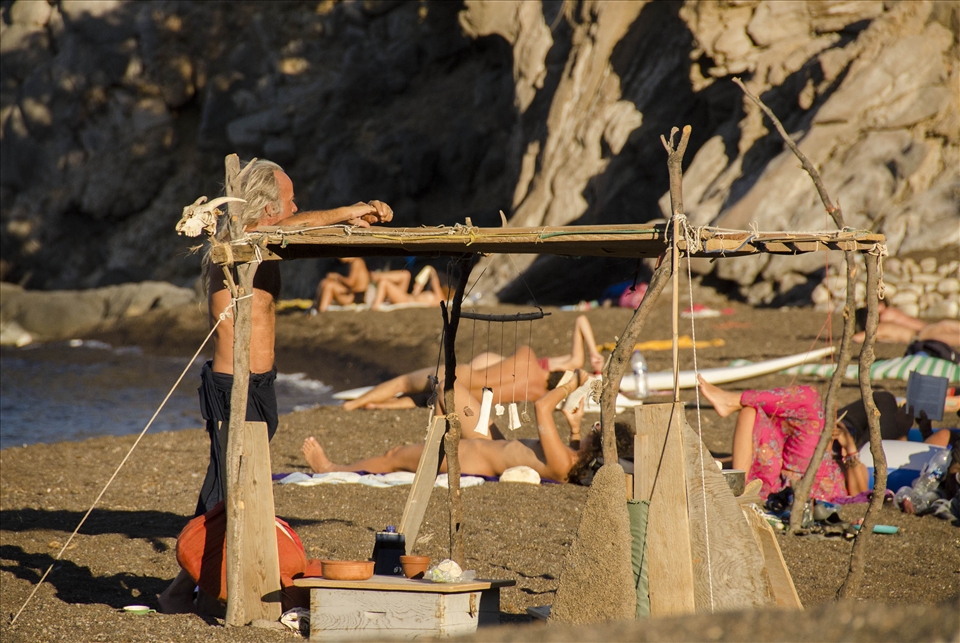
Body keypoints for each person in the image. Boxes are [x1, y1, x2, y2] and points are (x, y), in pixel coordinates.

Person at [159, 158, 393, 614]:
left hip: (259, 381)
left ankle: (194, 588)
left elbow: (304, 229)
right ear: (268, 209)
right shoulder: (240, 241)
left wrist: (354, 221)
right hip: (233, 384)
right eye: (289, 199)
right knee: (225, 490)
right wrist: (347, 210)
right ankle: (182, 589)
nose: (297, 205)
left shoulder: (265, 241)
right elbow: (301, 225)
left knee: (227, 487)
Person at [303, 371, 633, 484]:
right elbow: (564, 451)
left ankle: (331, 468)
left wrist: (573, 382)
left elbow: (541, 408)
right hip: (490, 443)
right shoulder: (571, 461)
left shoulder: (564, 465)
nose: (595, 424)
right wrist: (573, 428)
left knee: (394, 456)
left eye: (598, 429)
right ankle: (431, 409)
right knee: (449, 387)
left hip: (473, 455)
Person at [342, 314, 605, 411]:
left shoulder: (526, 356)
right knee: (423, 400)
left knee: (404, 382)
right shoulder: (536, 396)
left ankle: (352, 405)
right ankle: (379, 405)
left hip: (459, 376)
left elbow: (581, 321)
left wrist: (593, 364)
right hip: (461, 397)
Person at [854, 302, 960, 349]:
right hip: (931, 328)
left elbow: (858, 338)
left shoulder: (881, 327)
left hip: (924, 335)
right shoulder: (887, 321)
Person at [370, 265, 446, 310]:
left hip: (406, 300)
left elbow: (435, 282)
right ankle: (375, 276)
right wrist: (418, 289)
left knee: (384, 283)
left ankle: (375, 307)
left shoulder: (439, 299)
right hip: (407, 297)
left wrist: (432, 272)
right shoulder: (431, 296)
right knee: (406, 275)